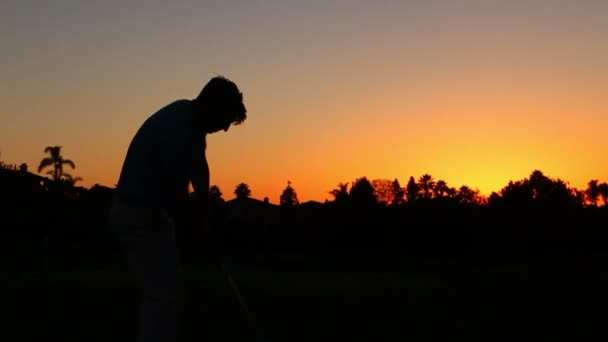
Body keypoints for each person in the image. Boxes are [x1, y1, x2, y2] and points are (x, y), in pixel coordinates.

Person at [108, 75, 247, 342]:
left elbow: (199, 168)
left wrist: (204, 211)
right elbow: (178, 197)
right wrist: (200, 231)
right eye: (226, 119)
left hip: (149, 215)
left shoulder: (189, 120)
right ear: (213, 107)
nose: (226, 129)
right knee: (164, 295)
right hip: (137, 216)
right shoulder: (180, 131)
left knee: (166, 294)